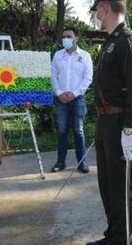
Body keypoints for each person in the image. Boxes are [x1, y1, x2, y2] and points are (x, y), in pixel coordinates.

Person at [86, 0, 132, 245]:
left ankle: (122, 240)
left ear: (106, 9)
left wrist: (129, 128)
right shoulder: (111, 41)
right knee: (107, 184)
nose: (96, 15)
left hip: (120, 122)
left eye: (97, 10)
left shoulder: (128, 42)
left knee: (121, 185)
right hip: (106, 122)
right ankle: (113, 235)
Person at [50, 26, 93, 174]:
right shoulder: (57, 55)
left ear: (76, 39)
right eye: (64, 37)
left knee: (78, 131)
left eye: (69, 36)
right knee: (61, 131)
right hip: (61, 99)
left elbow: (88, 78)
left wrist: (74, 94)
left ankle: (82, 163)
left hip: (78, 99)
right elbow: (53, 76)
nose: (65, 39)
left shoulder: (85, 56)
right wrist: (59, 93)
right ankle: (60, 162)